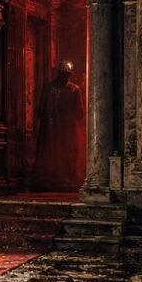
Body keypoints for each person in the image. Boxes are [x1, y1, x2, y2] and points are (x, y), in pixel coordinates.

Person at [35, 61, 84, 192]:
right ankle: (55, 179)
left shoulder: (72, 89)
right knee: (56, 153)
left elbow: (79, 113)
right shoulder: (72, 89)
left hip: (60, 129)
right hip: (58, 129)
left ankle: (63, 179)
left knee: (64, 153)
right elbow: (80, 113)